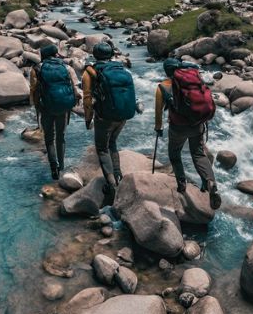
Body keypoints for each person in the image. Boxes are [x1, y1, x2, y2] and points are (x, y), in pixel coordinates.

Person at [155, 57, 221, 210]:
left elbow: (159, 111)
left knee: (174, 154)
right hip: (197, 124)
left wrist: (158, 128)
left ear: (166, 71)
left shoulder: (163, 87)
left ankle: (181, 184)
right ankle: (210, 181)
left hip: (177, 128)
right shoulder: (194, 82)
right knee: (198, 154)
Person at [82, 42, 142, 204]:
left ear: (95, 55)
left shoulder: (91, 72)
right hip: (123, 114)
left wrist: (88, 119)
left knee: (102, 148)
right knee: (113, 143)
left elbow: (87, 99)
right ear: (111, 55)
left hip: (104, 116)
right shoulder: (121, 69)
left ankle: (111, 184)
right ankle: (118, 175)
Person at [30, 44, 80, 180]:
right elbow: (76, 88)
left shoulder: (37, 69)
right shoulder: (66, 67)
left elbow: (34, 90)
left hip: (46, 107)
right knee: (61, 136)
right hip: (63, 107)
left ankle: (53, 168)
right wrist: (73, 102)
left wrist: (37, 107)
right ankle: (62, 166)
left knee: (49, 138)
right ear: (56, 54)